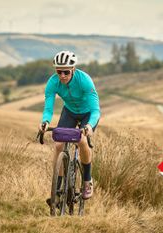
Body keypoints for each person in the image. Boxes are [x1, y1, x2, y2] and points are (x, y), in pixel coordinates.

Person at [39, 50, 100, 199]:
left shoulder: (84, 80)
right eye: (59, 72)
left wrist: (90, 126)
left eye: (66, 72)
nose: (62, 76)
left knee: (81, 140)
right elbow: (48, 108)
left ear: (73, 69)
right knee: (59, 145)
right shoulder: (53, 82)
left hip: (87, 114)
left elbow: (95, 110)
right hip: (70, 112)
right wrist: (45, 122)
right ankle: (57, 189)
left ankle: (87, 181)